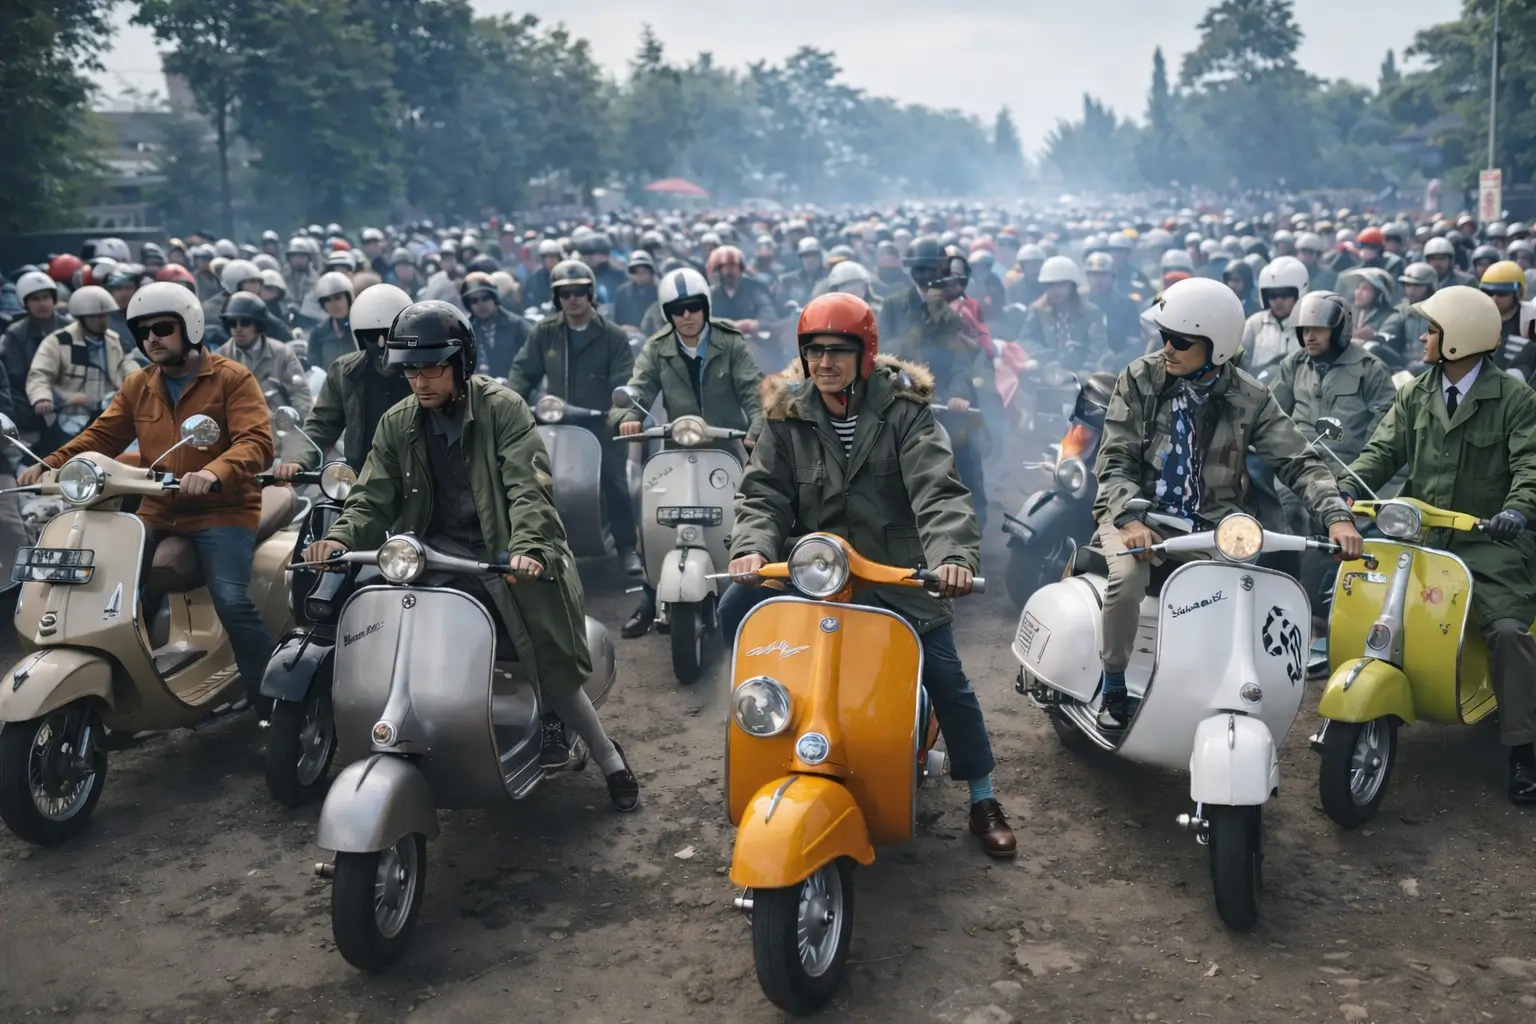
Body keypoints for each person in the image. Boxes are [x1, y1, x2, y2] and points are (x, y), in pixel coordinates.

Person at [299, 301, 639, 805]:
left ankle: (606, 755)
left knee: (542, 651)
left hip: (503, 554)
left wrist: (528, 548)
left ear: (461, 362)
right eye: (411, 370)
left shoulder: (504, 409)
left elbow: (528, 488)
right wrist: (342, 537)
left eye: (431, 368)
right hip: (433, 555)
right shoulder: (397, 422)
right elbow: (372, 494)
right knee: (388, 621)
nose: (419, 381)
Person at [721, 292, 1016, 858]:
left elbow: (938, 491)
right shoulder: (786, 415)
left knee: (946, 675)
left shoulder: (905, 412)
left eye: (838, 350)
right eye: (814, 351)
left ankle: (983, 796)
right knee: (734, 615)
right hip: (812, 570)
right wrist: (753, 549)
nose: (824, 362)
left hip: (895, 574)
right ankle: (773, 736)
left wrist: (952, 557)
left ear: (866, 353)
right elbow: (762, 496)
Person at [1091, 277, 1363, 730]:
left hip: (1214, 526)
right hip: (1137, 516)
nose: (1168, 348)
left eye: (1181, 340)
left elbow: (1298, 461)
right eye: (1165, 336)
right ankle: (1114, 682)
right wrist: (1129, 518)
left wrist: (1337, 517)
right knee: (1127, 578)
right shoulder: (1138, 378)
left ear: (1216, 345)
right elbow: (1115, 459)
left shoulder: (1250, 396)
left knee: (1243, 598)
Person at [18, 282, 276, 701]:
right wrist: (51, 462)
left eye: (162, 328)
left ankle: (270, 699)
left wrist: (212, 472)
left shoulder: (231, 378)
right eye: (143, 331)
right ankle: (126, 684)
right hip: (158, 510)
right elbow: (102, 436)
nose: (152, 338)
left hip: (221, 511)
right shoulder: (139, 384)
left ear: (190, 327)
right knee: (111, 587)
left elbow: (257, 442)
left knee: (231, 601)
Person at [1345, 285, 1536, 804]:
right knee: (1365, 599)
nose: (1423, 339)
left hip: (1491, 542)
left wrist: (1515, 512)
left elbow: (1530, 467)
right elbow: (1381, 452)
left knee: (1508, 631)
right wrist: (1345, 489)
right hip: (1421, 536)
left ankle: (1523, 746)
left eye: (1432, 331)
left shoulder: (1515, 399)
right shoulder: (1414, 393)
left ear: (1459, 339)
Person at [612, 267, 765, 638]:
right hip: (677, 449)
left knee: (754, 506)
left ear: (706, 307)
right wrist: (630, 416)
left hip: (729, 445)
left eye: (693, 307)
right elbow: (639, 387)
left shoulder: (730, 342)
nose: (686, 316)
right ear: (667, 314)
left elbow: (752, 388)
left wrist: (758, 427)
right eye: (677, 310)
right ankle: (650, 593)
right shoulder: (657, 347)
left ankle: (757, 592)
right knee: (653, 514)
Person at [506, 260, 641, 576]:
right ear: (557, 298)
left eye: (579, 291)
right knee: (530, 481)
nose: (573, 299)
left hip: (601, 424)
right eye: (565, 293)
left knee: (615, 481)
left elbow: (624, 380)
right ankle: (532, 545)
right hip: (556, 424)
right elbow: (523, 371)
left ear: (591, 293)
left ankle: (626, 547)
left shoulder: (613, 335)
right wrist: (512, 402)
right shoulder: (544, 332)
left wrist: (617, 413)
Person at [881, 238, 995, 530]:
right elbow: (882, 353)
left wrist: (959, 394)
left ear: (940, 270)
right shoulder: (894, 305)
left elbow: (960, 359)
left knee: (966, 456)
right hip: (902, 393)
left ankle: (975, 525)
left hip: (946, 399)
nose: (924, 276)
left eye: (930, 270)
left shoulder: (948, 309)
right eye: (918, 270)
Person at [274, 283, 414, 481]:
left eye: (389, 334)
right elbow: (323, 423)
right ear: (359, 335)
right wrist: (300, 460)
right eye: (373, 335)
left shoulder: (424, 369)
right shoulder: (345, 372)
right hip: (360, 476)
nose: (381, 343)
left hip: (416, 474)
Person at [26, 284, 136, 447]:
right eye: (94, 317)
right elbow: (40, 374)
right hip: (69, 415)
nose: (101, 321)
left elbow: (131, 370)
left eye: (104, 315)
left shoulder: (115, 341)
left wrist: (138, 390)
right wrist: (42, 398)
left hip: (108, 413)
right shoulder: (60, 341)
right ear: (81, 317)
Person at [218, 293, 313, 425]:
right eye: (232, 323)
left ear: (258, 324)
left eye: (245, 322)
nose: (238, 329)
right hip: (237, 429)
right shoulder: (220, 358)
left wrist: (294, 421)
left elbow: (300, 394)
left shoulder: (282, 353)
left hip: (278, 429)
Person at [1, 271, 72, 437]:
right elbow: (17, 377)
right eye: (35, 299)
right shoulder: (16, 334)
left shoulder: (70, 327)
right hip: (32, 410)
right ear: (25, 303)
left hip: (73, 403)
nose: (42, 303)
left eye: (46, 297)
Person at [1017, 255, 1108, 369]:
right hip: (1048, 370)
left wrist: (1080, 352)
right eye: (1050, 285)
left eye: (1061, 284)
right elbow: (1025, 339)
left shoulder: (1091, 312)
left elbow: (1099, 345)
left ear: (1072, 286)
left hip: (1083, 369)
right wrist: (1045, 355)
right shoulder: (1037, 310)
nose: (1055, 290)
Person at [1239, 255, 1308, 376]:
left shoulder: (1308, 324)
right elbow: (1239, 358)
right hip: (1261, 384)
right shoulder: (1255, 323)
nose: (1278, 301)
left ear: (1299, 294)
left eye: (1285, 294)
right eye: (1272, 295)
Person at [461, 273, 528, 379]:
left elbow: (532, 362)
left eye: (485, 298)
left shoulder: (517, 326)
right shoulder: (465, 332)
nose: (481, 304)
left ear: (494, 299)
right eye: (474, 301)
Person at [1479, 260, 1536, 381]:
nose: (1494, 298)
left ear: (1517, 292)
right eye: (1489, 292)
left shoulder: (1530, 315)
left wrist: (1529, 350)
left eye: (1502, 292)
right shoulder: (1478, 318)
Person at [1083, 251, 1141, 358]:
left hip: (1117, 358)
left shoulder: (1126, 304)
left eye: (1103, 275)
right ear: (1087, 276)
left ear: (1112, 277)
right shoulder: (1078, 302)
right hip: (1084, 359)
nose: (1098, 280)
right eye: (1094, 275)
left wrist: (1121, 358)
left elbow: (1135, 339)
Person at [706, 245, 776, 333]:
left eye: (733, 265)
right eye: (725, 266)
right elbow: (702, 320)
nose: (730, 270)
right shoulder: (711, 294)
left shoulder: (755, 289)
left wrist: (755, 324)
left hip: (752, 338)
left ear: (741, 268)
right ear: (719, 270)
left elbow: (769, 314)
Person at [308, 272, 357, 369]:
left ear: (348, 298)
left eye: (338, 298)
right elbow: (314, 367)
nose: (333, 305)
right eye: (327, 300)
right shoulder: (318, 333)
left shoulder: (363, 327)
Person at [613, 250, 658, 330]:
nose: (640, 276)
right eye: (636, 272)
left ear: (651, 272)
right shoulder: (623, 292)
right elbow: (617, 321)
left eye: (643, 272)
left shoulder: (659, 292)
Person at [1347, 268, 1396, 341]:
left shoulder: (1390, 316)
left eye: (1365, 289)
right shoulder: (1350, 313)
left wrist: (1373, 335)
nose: (1358, 293)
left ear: (1378, 295)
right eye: (1357, 287)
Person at [776, 237, 827, 308]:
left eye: (814, 255)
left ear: (820, 257)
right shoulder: (787, 280)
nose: (810, 260)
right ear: (800, 258)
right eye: (806, 256)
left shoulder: (829, 278)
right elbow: (780, 303)